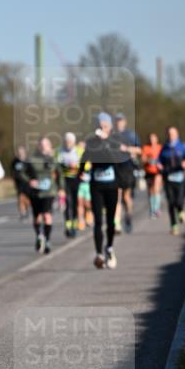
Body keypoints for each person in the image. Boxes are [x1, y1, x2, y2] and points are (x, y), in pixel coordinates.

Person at [79, 112, 124, 269]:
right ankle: (99, 254)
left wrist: (106, 142)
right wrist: (82, 171)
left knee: (110, 221)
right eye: (100, 126)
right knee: (98, 220)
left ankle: (109, 248)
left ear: (110, 127)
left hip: (112, 186)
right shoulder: (91, 141)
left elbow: (114, 159)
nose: (102, 128)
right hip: (96, 186)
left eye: (105, 126)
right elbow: (85, 157)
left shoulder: (114, 140)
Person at [22, 136, 57, 254]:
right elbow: (21, 172)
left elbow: (57, 171)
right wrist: (29, 181)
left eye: (46, 144)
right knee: (37, 217)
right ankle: (39, 236)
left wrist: (61, 189)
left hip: (49, 191)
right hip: (36, 192)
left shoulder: (52, 158)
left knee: (47, 215)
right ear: (38, 146)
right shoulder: (31, 159)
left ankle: (47, 239)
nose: (43, 147)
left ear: (50, 146)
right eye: (41, 144)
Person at [158, 127, 185, 234]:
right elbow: (159, 159)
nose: (170, 136)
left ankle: (181, 211)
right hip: (168, 178)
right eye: (169, 134)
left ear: (177, 134)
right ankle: (174, 225)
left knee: (179, 201)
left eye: (173, 134)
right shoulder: (165, 147)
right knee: (171, 202)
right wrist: (159, 164)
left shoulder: (182, 146)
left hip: (180, 178)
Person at [114, 112, 141, 234]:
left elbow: (139, 150)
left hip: (127, 168)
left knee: (126, 196)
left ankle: (128, 216)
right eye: (117, 121)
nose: (119, 122)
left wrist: (127, 149)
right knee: (117, 197)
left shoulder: (130, 134)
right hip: (115, 168)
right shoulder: (112, 134)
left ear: (124, 122)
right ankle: (117, 224)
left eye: (121, 120)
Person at [56, 132, 81, 237]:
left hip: (76, 179)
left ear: (74, 142)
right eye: (66, 141)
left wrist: (76, 166)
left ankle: (74, 224)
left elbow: (87, 165)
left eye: (70, 141)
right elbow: (56, 165)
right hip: (65, 179)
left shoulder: (79, 151)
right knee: (67, 202)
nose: (68, 144)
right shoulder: (59, 151)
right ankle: (68, 225)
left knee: (75, 202)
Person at [141, 133, 163, 218]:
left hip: (157, 171)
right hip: (148, 171)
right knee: (150, 191)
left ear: (156, 139)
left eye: (153, 138)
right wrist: (148, 159)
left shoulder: (160, 147)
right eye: (150, 138)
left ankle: (157, 208)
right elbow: (143, 159)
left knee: (156, 189)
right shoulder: (146, 147)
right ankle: (152, 209)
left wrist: (159, 162)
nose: (152, 140)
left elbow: (163, 158)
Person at [11, 146, 30, 220]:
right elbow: (12, 170)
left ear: (24, 153)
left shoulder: (28, 161)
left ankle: (26, 208)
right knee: (20, 198)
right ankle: (22, 212)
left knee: (27, 199)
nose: (20, 153)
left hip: (27, 183)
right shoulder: (15, 161)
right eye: (19, 152)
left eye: (21, 152)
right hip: (19, 183)